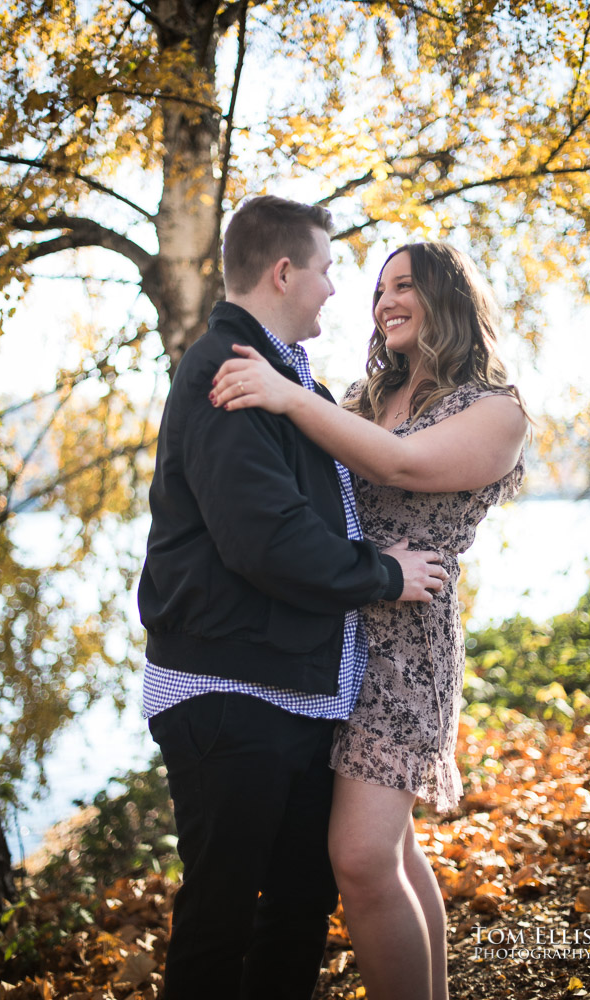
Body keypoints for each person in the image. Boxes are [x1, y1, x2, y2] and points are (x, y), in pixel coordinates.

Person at [137, 197, 449, 1000]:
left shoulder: (282, 376)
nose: (335, 290)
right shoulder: (225, 372)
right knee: (220, 920)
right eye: (327, 269)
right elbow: (264, 539)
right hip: (228, 694)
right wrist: (387, 573)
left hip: (294, 698)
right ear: (284, 272)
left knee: (299, 908)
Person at [210, 240, 529, 1000]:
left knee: (357, 857)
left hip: (405, 651)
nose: (384, 301)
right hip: (331, 639)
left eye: (405, 286)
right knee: (393, 851)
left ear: (449, 298)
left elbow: (399, 466)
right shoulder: (359, 397)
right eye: (378, 288)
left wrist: (289, 396)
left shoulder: (494, 410)